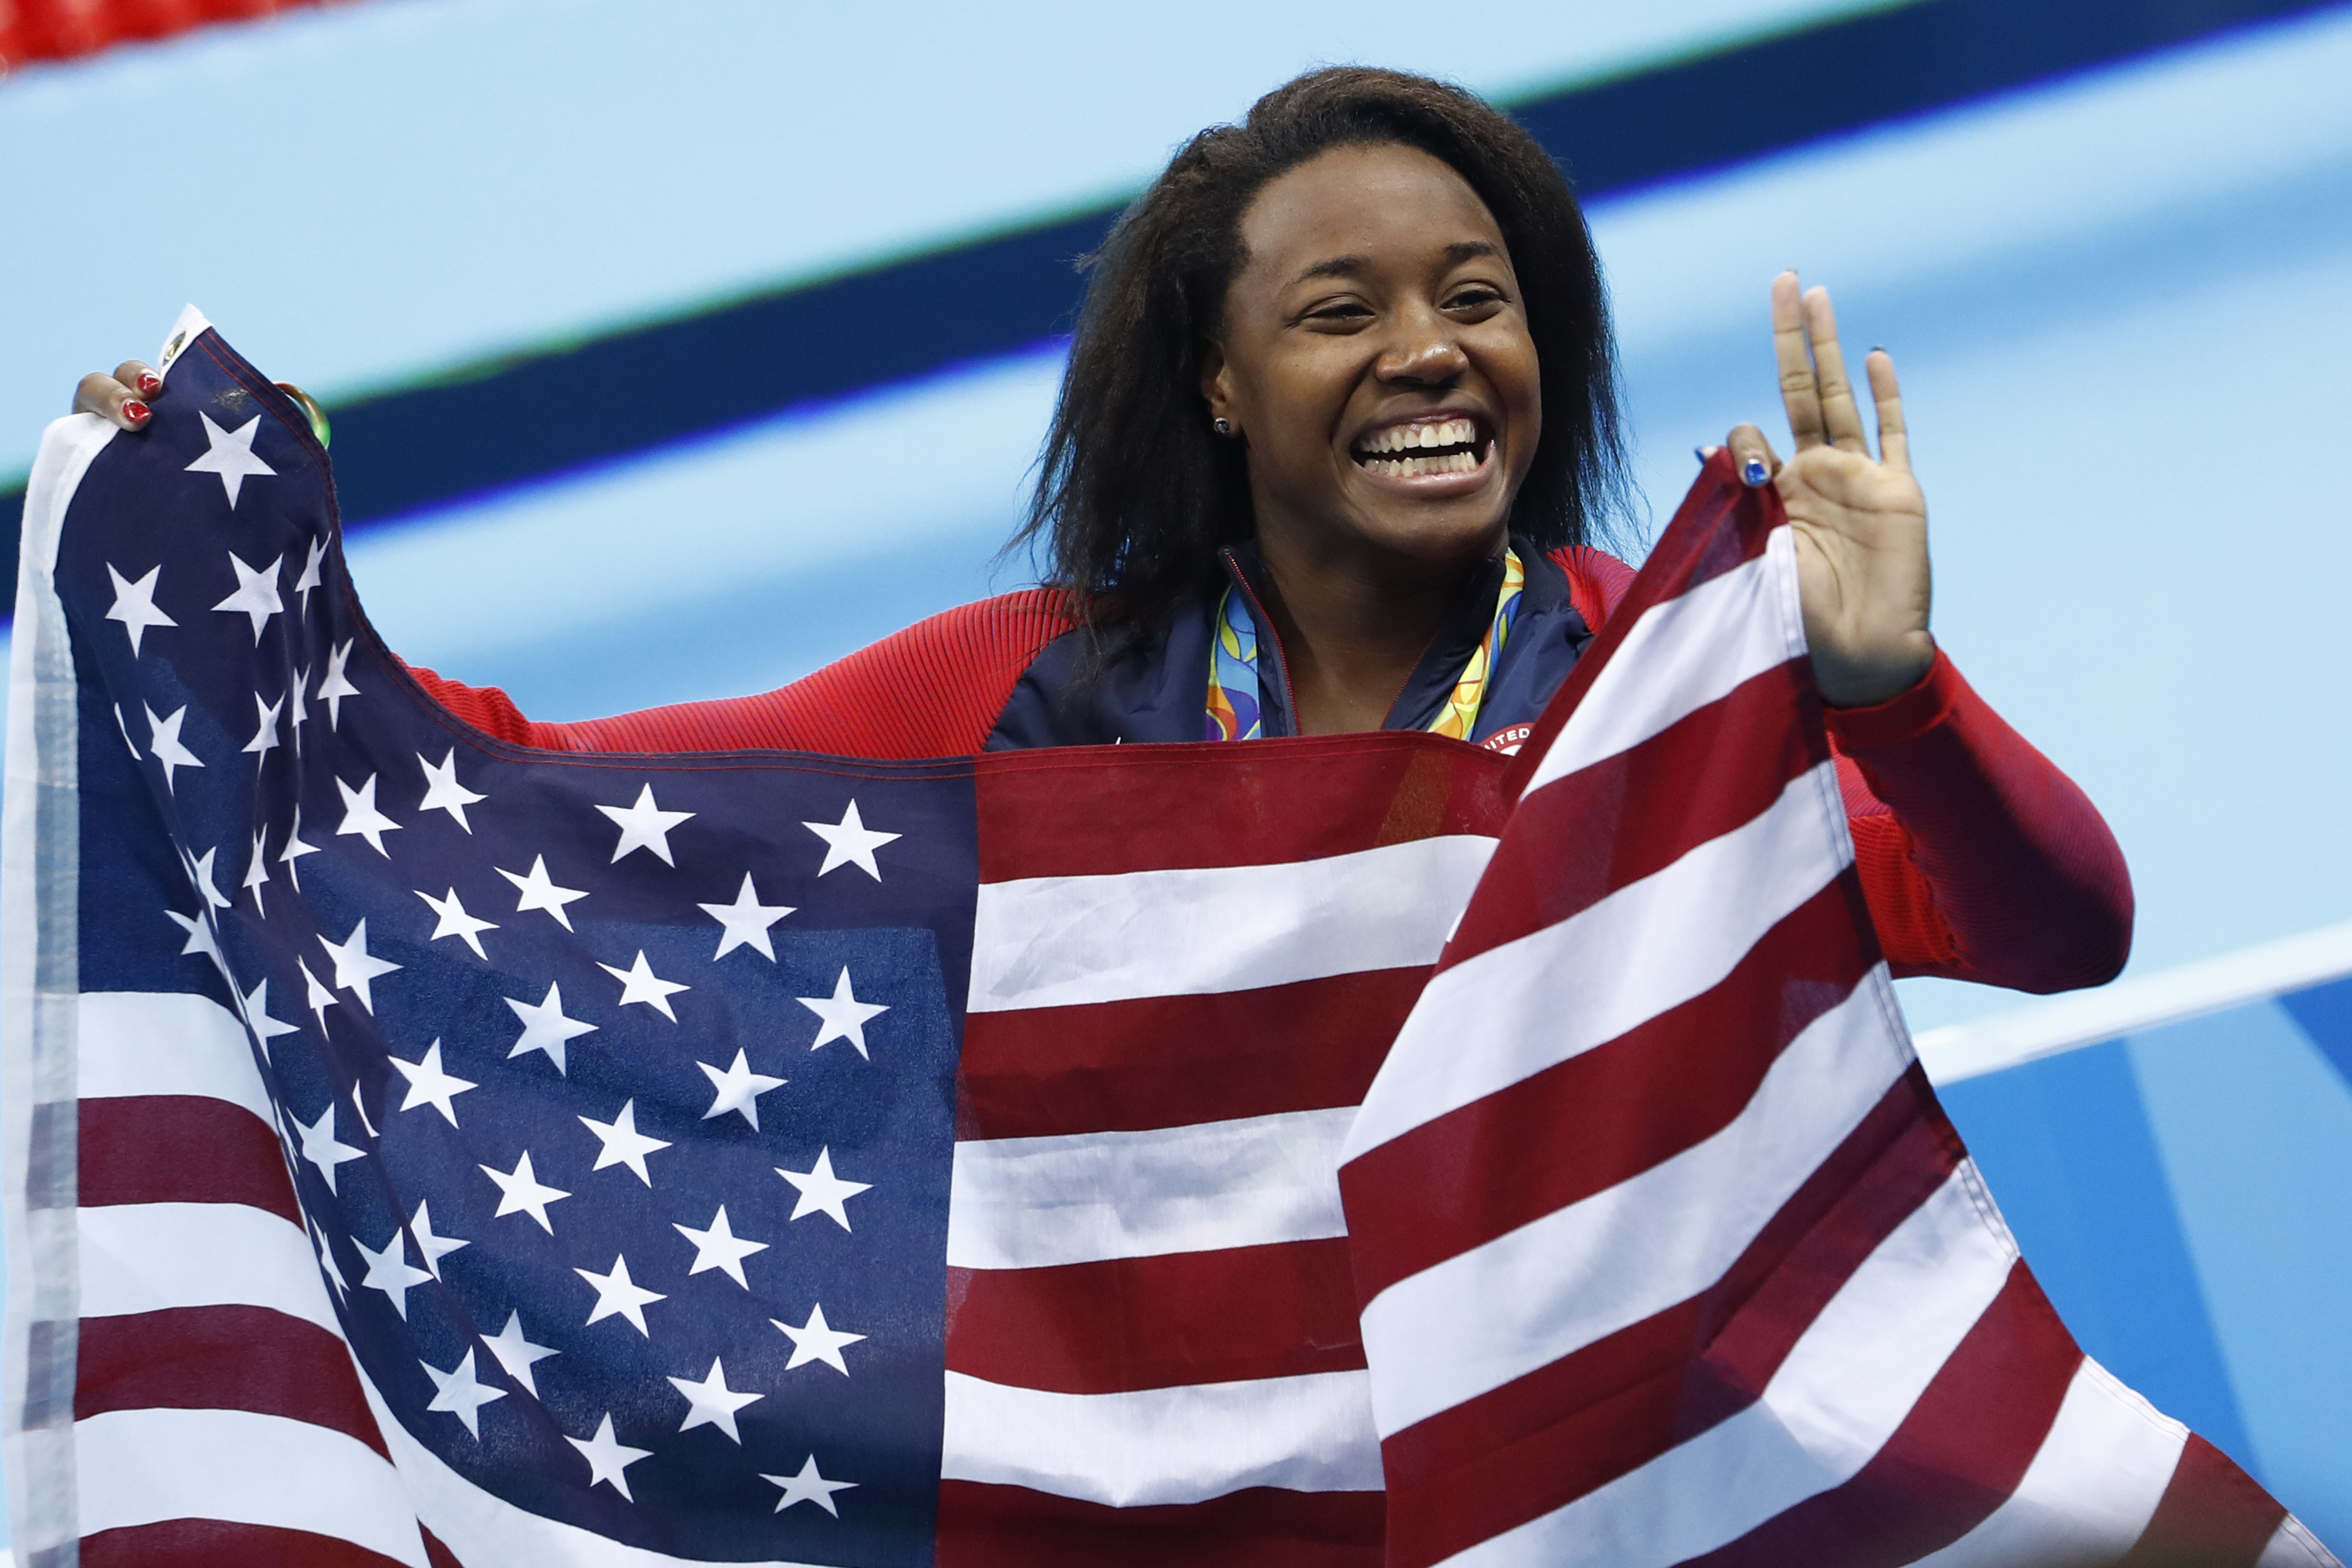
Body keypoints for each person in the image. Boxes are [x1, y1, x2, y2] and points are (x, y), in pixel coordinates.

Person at [74, 65, 2127, 992]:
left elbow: (2054, 935)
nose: (1431, 353)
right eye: (1343, 311)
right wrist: (240, 579)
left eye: (1479, 298)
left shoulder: (1697, 668)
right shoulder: (1020, 691)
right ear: (1219, 384)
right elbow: (553, 797)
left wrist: (1897, 697)